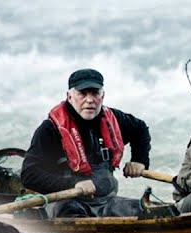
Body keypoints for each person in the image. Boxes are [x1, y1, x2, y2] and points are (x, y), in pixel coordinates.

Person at [21, 68, 152, 218]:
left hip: (107, 203)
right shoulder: (50, 130)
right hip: (66, 203)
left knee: (144, 211)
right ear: (69, 96)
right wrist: (73, 183)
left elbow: (141, 130)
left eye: (95, 93)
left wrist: (139, 160)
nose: (89, 100)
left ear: (102, 96)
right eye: (82, 94)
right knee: (70, 211)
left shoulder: (114, 119)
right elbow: (29, 175)